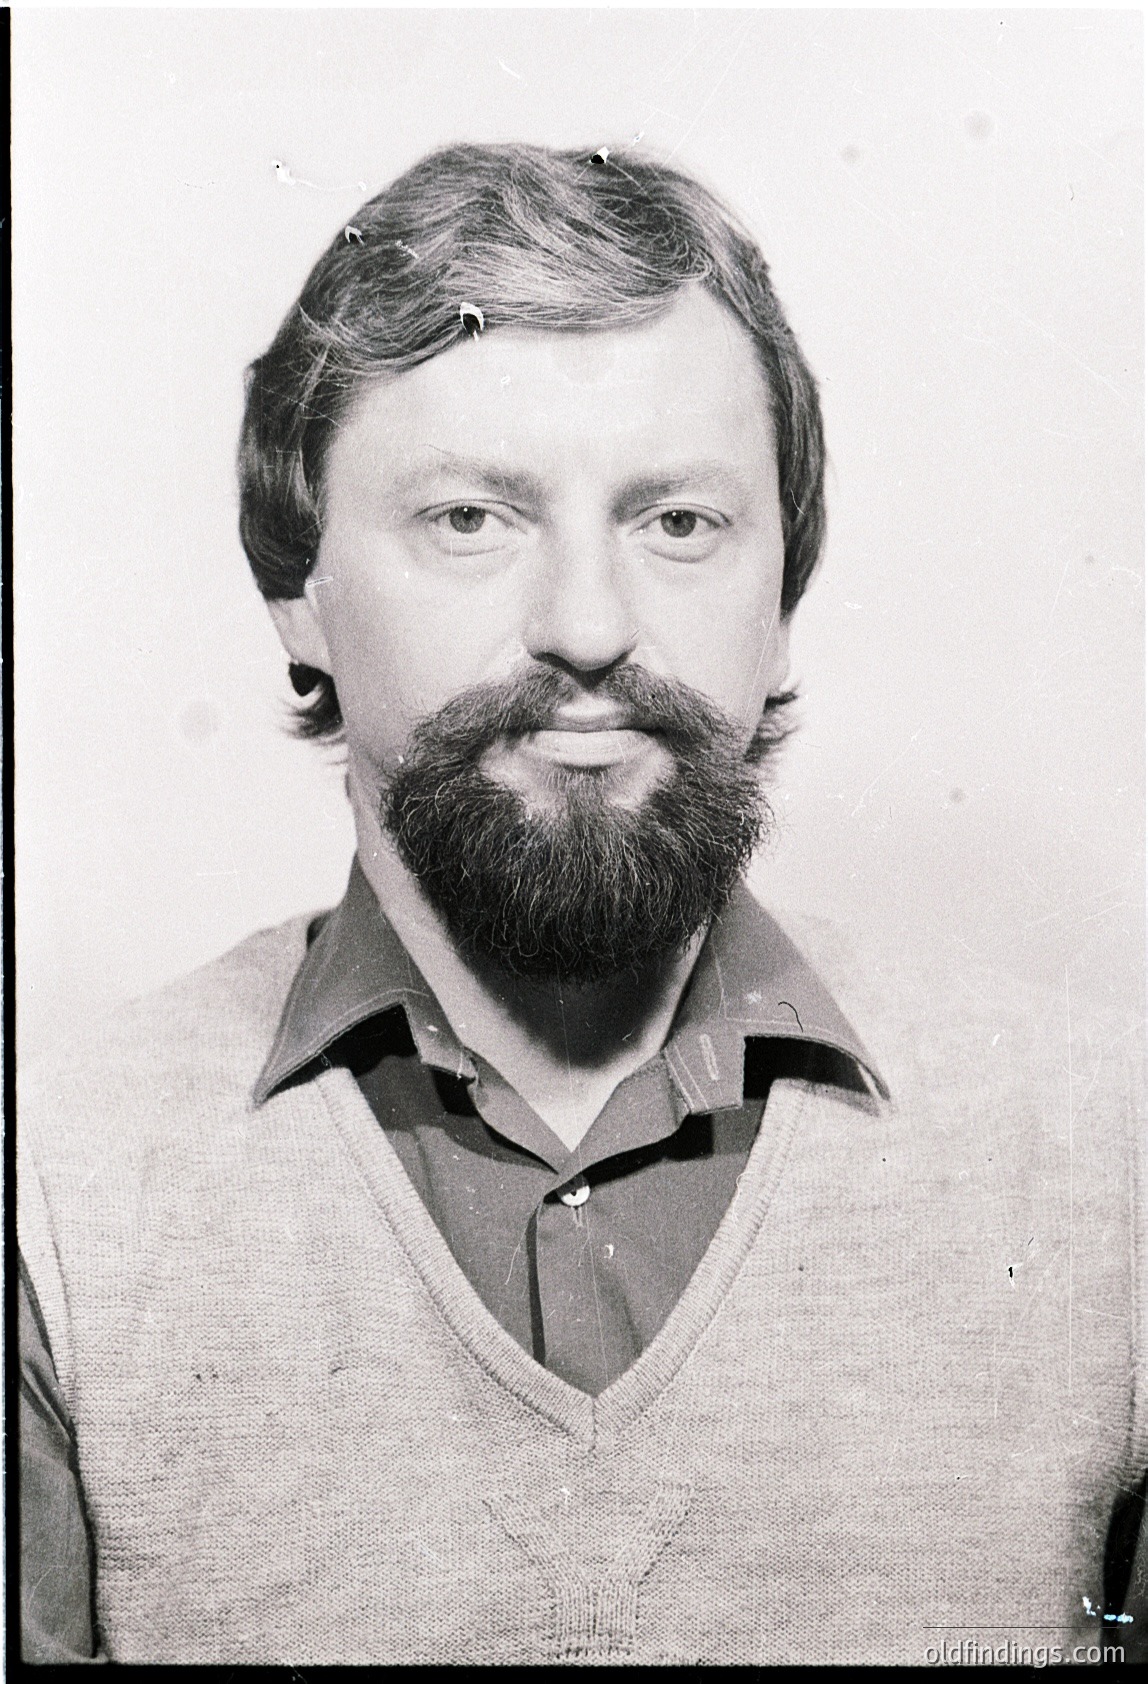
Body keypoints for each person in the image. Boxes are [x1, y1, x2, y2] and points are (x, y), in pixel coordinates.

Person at [19, 142, 1144, 1666]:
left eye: (679, 521)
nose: (592, 629)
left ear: (784, 600)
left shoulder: (1108, 1158)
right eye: (470, 520)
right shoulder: (49, 1201)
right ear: (299, 591)